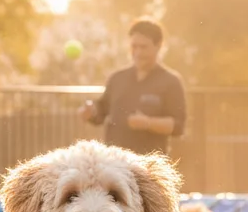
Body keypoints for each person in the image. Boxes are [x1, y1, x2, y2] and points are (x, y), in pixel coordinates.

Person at [78, 18, 189, 157]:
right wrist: (90, 112)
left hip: (149, 164)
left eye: (143, 47)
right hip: (115, 163)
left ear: (159, 46)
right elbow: (101, 111)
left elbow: (178, 126)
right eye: (134, 46)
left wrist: (148, 123)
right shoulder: (117, 78)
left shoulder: (171, 81)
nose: (138, 52)